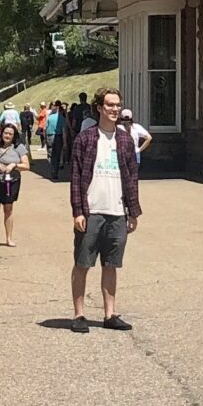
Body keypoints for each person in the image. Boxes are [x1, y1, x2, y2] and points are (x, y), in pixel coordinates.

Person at [69, 90, 140, 332]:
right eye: (109, 105)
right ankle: (79, 315)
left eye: (118, 105)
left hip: (117, 211)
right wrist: (78, 211)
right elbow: (76, 177)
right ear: (99, 107)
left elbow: (132, 178)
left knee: (111, 264)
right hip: (91, 211)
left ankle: (110, 314)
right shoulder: (86, 138)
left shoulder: (125, 140)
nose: (115, 109)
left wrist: (133, 212)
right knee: (82, 263)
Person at [0, 121, 27, 247]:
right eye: (6, 133)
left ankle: (9, 238)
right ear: (2, 133)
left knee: (8, 209)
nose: (8, 136)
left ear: (14, 135)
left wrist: (14, 165)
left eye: (10, 134)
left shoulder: (19, 147)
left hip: (11, 182)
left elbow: (26, 165)